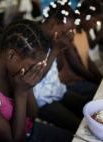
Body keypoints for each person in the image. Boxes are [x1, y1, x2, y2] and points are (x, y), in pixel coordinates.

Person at [0, 20, 73, 142]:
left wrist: (27, 87)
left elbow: (32, 113)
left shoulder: (14, 71)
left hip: (28, 130)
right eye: (32, 66)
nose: (35, 70)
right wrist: (20, 93)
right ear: (11, 55)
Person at [33, 0, 99, 132]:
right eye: (65, 30)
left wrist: (60, 49)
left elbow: (59, 67)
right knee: (79, 127)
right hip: (42, 100)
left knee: (92, 108)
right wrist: (56, 50)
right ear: (53, 24)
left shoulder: (53, 39)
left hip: (57, 90)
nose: (67, 33)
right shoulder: (33, 40)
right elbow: (36, 77)